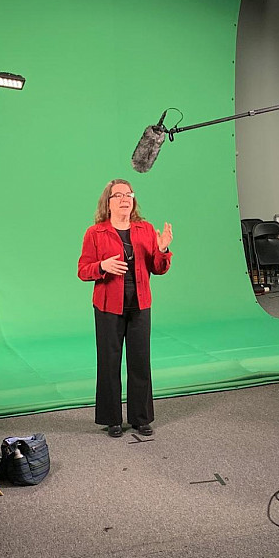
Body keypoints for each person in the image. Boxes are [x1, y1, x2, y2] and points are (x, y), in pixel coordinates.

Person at [78, 179, 173, 438]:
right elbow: (83, 270)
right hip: (108, 307)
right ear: (107, 203)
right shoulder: (95, 233)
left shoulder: (145, 229)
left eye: (129, 194)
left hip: (140, 305)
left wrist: (162, 248)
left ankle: (140, 418)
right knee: (109, 363)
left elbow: (158, 267)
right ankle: (112, 419)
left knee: (140, 362)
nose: (125, 199)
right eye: (118, 195)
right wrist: (102, 267)